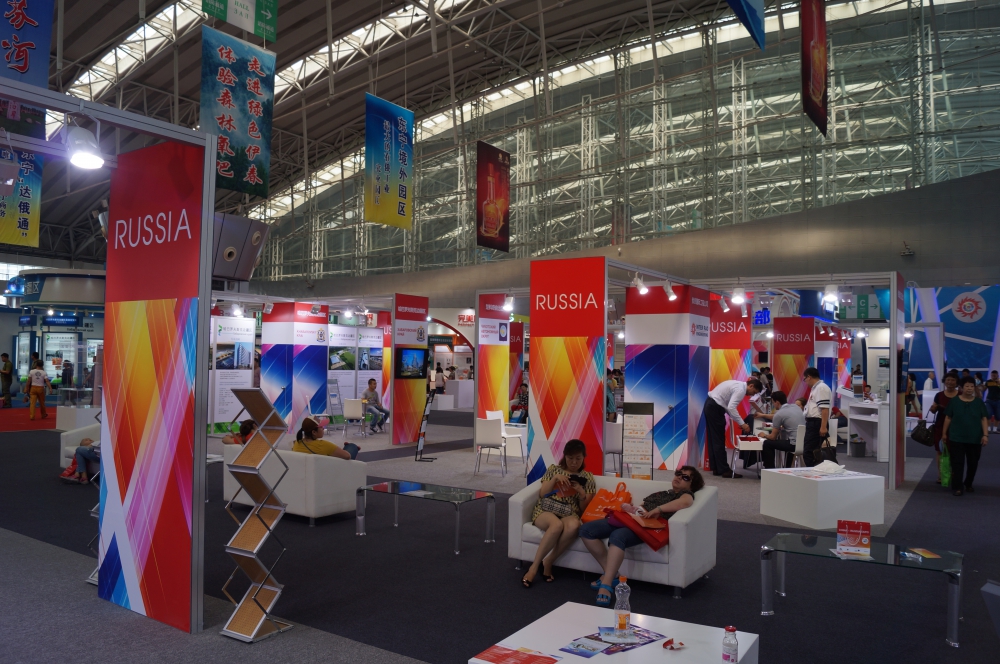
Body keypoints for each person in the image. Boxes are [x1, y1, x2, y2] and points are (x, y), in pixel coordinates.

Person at [579, 465, 704, 606]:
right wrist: (633, 509)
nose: (679, 477)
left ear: (691, 485)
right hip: (634, 520)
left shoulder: (685, 495)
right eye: (678, 473)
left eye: (685, 477)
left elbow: (684, 502)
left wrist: (658, 509)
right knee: (586, 530)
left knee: (618, 536)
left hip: (649, 527)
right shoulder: (663, 493)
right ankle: (612, 574)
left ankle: (606, 584)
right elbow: (642, 507)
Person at [522, 439, 596, 588]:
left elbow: (584, 509)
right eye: (570, 458)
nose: (574, 462)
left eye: (578, 458)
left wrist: (581, 492)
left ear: (583, 458)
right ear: (564, 456)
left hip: (569, 512)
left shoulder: (587, 477)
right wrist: (555, 479)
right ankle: (534, 567)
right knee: (556, 525)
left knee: (574, 525)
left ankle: (548, 561)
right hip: (546, 509)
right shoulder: (554, 469)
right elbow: (542, 494)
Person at [704, 378, 763, 478]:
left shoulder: (737, 385)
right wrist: (743, 424)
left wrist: (740, 422)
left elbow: (728, 407)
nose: (751, 395)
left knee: (713, 439)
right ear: (751, 386)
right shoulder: (740, 390)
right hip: (715, 408)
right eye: (753, 392)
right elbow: (731, 407)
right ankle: (724, 470)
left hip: (710, 405)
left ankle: (716, 468)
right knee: (718, 440)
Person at [941, 377, 988, 496]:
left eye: (972, 386)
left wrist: (985, 435)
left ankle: (968, 483)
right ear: (961, 388)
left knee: (973, 463)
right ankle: (958, 486)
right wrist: (944, 433)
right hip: (957, 437)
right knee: (957, 463)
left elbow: (984, 418)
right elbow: (948, 418)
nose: (970, 388)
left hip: (975, 438)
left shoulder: (979, 402)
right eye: (967, 386)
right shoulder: (954, 401)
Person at [759, 391, 806, 468]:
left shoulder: (778, 414)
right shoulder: (796, 407)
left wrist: (764, 435)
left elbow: (773, 437)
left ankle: (769, 470)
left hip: (793, 445)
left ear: (777, 402)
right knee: (787, 442)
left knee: (767, 444)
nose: (773, 405)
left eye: (773, 402)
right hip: (805, 442)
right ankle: (787, 468)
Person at [929, 371, 960, 484]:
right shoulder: (939, 395)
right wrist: (933, 408)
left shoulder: (961, 394)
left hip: (957, 426)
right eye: (948, 380)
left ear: (956, 382)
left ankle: (953, 472)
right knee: (940, 450)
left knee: (955, 451)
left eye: (953, 380)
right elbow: (933, 411)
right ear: (944, 381)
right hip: (940, 425)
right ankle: (941, 475)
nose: (950, 382)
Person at [801, 367, 832, 466]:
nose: (805, 382)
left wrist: (823, 427)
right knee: (811, 451)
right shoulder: (816, 388)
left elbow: (824, 409)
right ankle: (814, 471)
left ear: (809, 377)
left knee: (809, 452)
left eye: (805, 379)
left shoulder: (821, 388)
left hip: (817, 423)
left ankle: (814, 472)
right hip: (813, 423)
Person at [292, 417, 358, 460]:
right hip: (331, 471)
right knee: (352, 446)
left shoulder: (297, 443)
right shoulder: (323, 445)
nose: (323, 428)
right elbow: (347, 456)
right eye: (321, 427)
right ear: (314, 432)